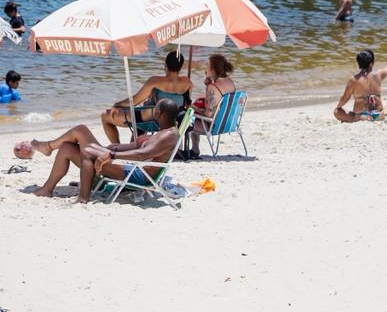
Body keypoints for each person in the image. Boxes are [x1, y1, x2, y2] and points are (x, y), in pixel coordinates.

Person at [24, 98, 183, 203]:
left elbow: (143, 155)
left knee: (85, 145)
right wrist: (111, 148)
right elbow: (136, 148)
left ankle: (83, 197)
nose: (153, 111)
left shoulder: (168, 135)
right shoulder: (163, 132)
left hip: (138, 174)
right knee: (68, 146)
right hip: (132, 167)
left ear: (159, 113)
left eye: (155, 109)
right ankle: (47, 189)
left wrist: (112, 154)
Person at [100, 50, 193, 143]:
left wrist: (117, 104)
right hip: (172, 121)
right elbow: (187, 103)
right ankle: (132, 144)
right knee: (139, 116)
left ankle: (116, 145)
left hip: (149, 120)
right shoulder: (187, 83)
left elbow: (135, 101)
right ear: (180, 67)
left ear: (165, 65)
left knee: (105, 115)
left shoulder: (155, 81)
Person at [183, 53, 237, 160]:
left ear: (212, 70)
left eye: (207, 66)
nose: (205, 68)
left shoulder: (213, 87)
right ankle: (194, 149)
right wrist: (207, 85)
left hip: (213, 127)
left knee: (185, 117)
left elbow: (208, 114)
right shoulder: (230, 82)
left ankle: (194, 149)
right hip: (227, 124)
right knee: (196, 106)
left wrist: (193, 108)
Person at [334, 49, 387, 122]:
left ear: (359, 63)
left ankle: (361, 118)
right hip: (378, 114)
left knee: (336, 112)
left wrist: (338, 107)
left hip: (360, 115)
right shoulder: (379, 74)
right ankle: (374, 117)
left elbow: (345, 99)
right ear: (371, 64)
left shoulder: (353, 80)